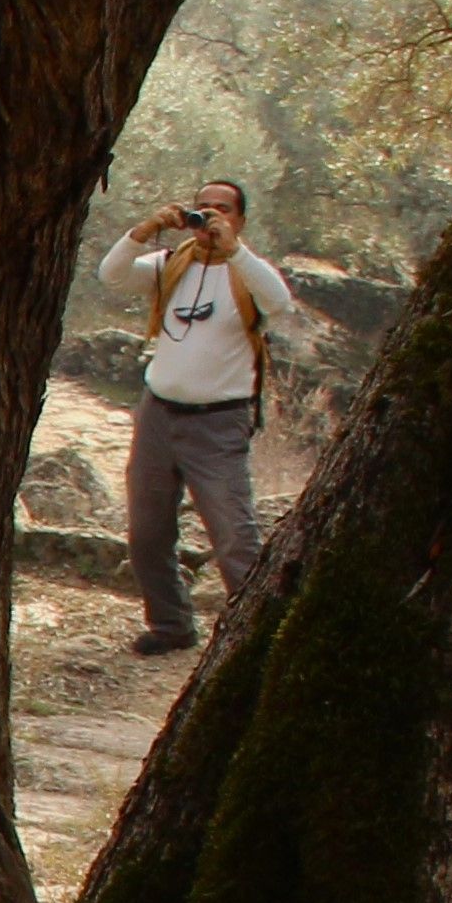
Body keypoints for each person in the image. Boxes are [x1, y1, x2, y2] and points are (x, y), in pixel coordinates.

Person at [109, 177, 301, 655]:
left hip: (218, 422)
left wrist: (234, 250)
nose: (211, 216)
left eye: (223, 209)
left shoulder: (247, 272)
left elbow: (279, 302)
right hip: (158, 415)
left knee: (234, 534)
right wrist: (146, 228)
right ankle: (172, 627)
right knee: (148, 532)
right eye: (203, 207)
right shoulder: (170, 265)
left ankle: (256, 641)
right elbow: (110, 274)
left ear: (240, 219)